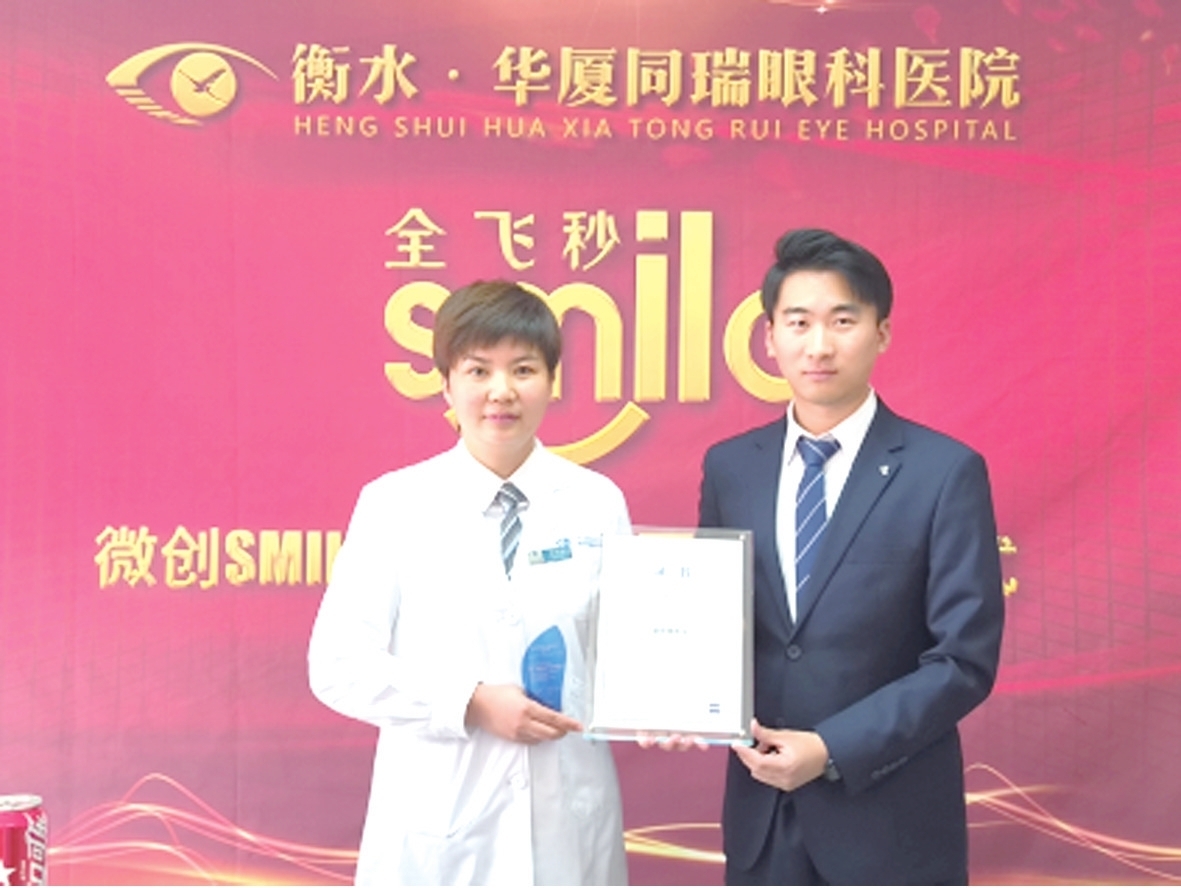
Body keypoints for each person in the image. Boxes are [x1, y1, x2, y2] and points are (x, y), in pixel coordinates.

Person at [698, 229, 1004, 885]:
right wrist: (672, 701)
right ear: (769, 337)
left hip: (889, 826)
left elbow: (963, 661)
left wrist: (830, 748)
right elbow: (711, 629)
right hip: (762, 822)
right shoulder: (730, 469)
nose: (818, 345)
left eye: (842, 321)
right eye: (798, 322)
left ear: (881, 332)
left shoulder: (943, 472)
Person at [308, 280, 630, 886]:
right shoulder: (394, 504)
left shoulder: (596, 502)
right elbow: (338, 666)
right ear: (446, 383)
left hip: (566, 813)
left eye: (523, 369)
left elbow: (622, 654)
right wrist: (471, 703)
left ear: (552, 381)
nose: (501, 391)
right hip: (440, 820)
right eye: (478, 370)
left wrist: (671, 703)